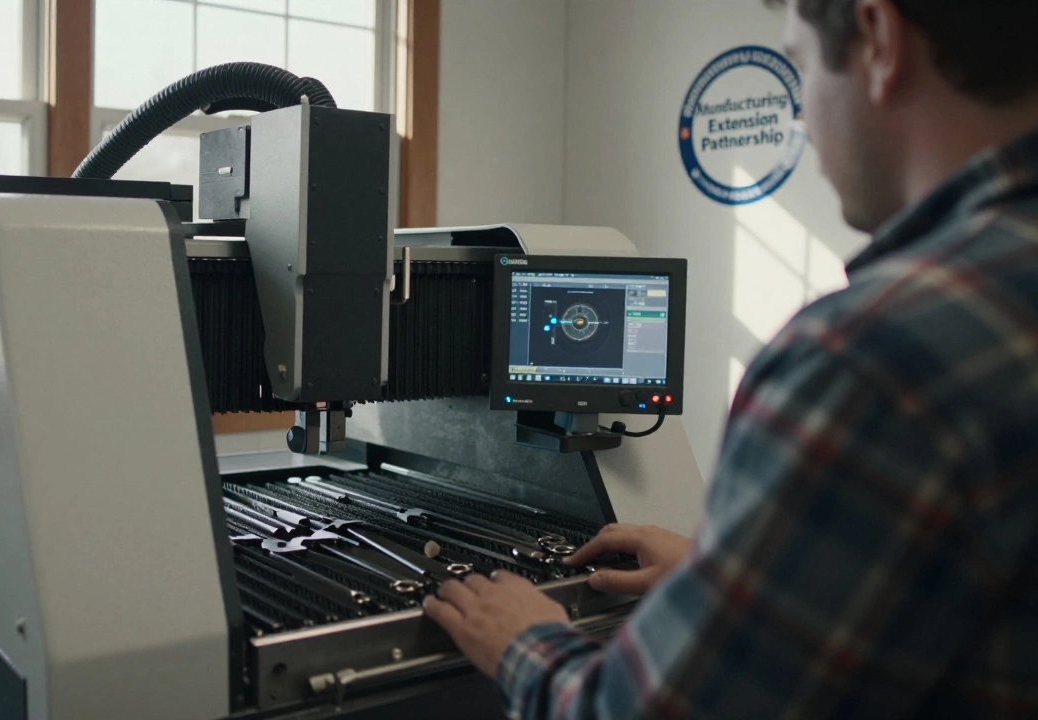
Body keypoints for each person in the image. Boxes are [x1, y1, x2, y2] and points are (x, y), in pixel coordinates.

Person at [423, 0, 1038, 717]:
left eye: (799, 66)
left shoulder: (870, 359)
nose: (803, 119)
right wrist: (733, 580)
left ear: (879, 39)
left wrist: (524, 640)